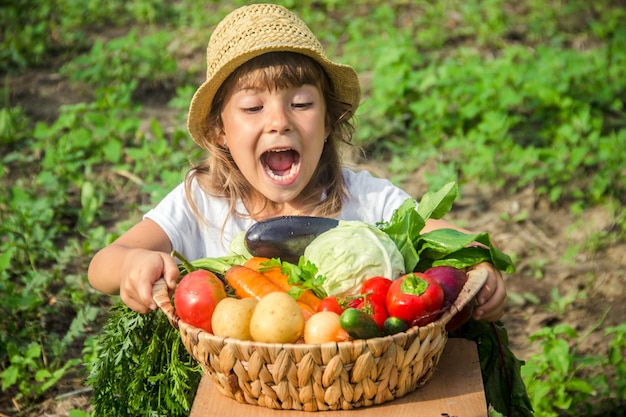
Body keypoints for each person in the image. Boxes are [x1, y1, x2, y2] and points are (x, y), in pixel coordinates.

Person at [88, 3, 506, 322]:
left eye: (301, 103)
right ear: (220, 131)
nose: (279, 122)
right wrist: (130, 263)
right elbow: (101, 265)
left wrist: (478, 260)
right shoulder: (202, 202)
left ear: (327, 120)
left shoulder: (367, 199)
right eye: (253, 108)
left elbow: (448, 237)